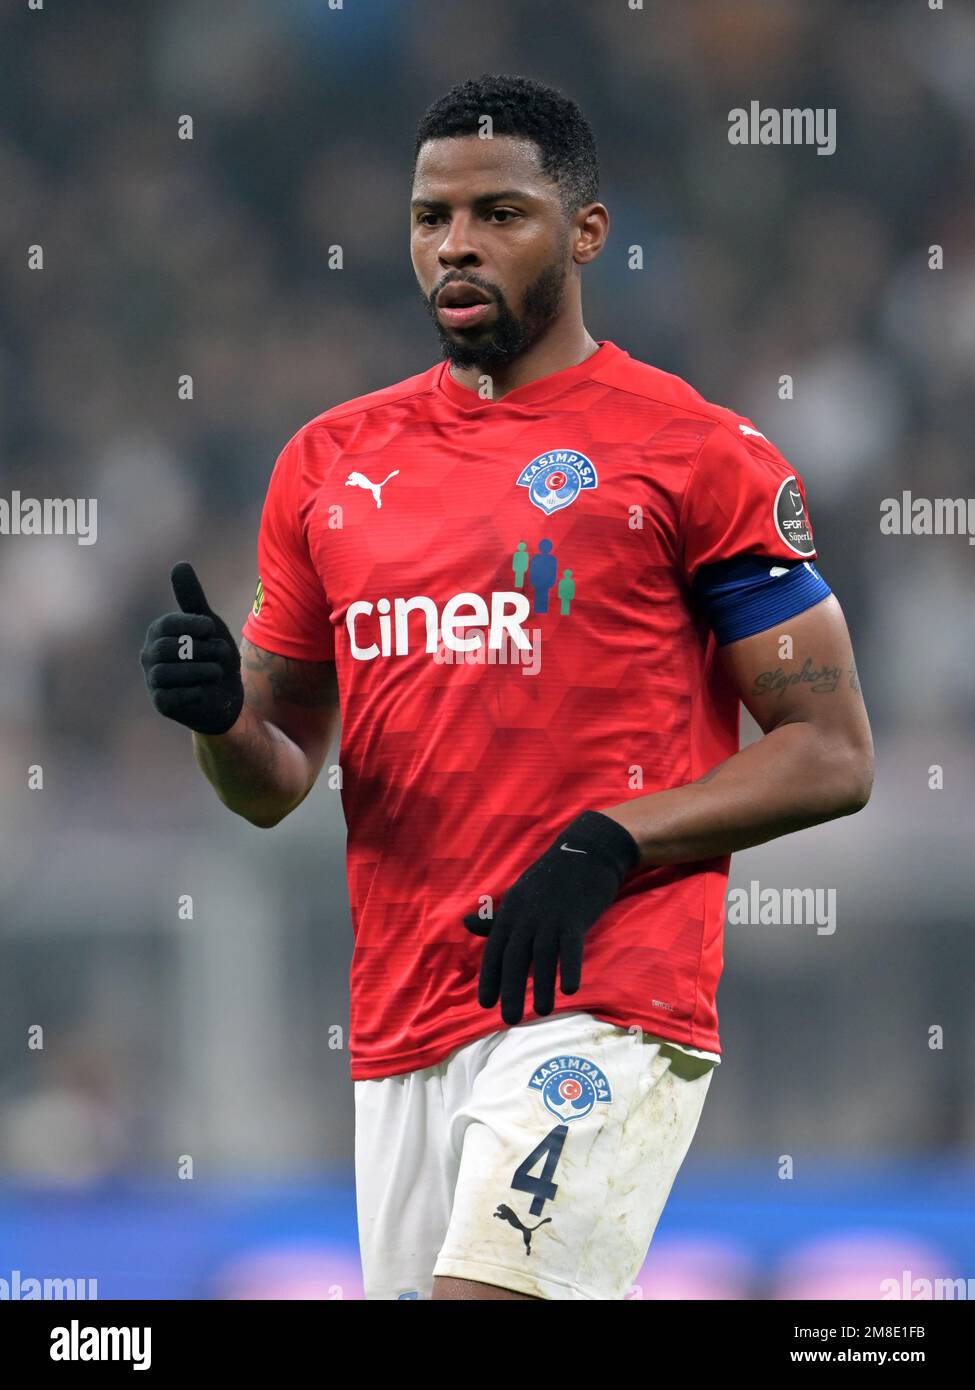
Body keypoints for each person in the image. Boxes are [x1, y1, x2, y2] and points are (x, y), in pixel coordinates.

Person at [140, 74, 874, 1301]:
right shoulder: (329, 464)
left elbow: (833, 749)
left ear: (587, 232)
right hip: (407, 1012)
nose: (457, 245)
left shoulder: (698, 454)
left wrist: (610, 841)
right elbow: (272, 783)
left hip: (605, 991)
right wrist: (222, 718)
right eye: (432, 218)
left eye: (500, 213)